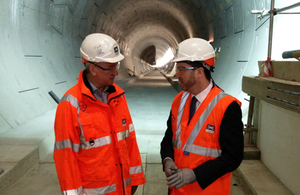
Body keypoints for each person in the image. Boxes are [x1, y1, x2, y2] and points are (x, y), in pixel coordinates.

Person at [53, 33, 146, 195]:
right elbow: (65, 157)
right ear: (93, 68)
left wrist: (135, 177)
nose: (116, 72)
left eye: (116, 66)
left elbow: (129, 139)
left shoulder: (118, 96)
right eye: (110, 67)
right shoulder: (70, 104)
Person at [160, 38, 244, 194]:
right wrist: (167, 159)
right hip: (177, 191)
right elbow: (168, 138)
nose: (177, 74)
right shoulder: (179, 100)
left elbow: (233, 157)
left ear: (199, 72)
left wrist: (195, 174)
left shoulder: (226, 107)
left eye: (182, 69)